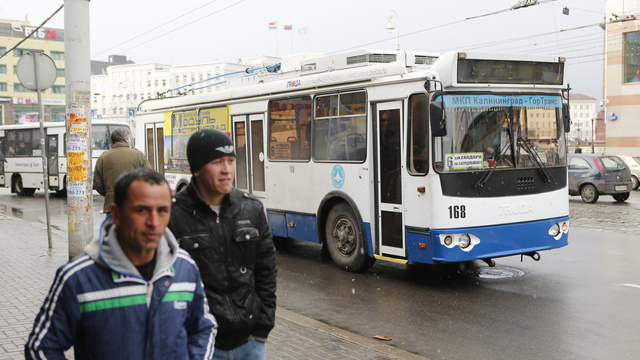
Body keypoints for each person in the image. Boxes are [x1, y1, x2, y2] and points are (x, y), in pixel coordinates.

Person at [25, 168, 217, 359]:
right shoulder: (77, 278)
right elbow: (41, 349)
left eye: (163, 210)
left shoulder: (185, 267)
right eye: (141, 210)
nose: (154, 222)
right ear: (116, 214)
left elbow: (203, 328)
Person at [168, 128, 277, 360]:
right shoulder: (173, 214)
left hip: (250, 342)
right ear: (196, 168)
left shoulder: (251, 208)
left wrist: (262, 327)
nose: (227, 170)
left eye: (230, 160)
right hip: (199, 345)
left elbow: (266, 270)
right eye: (217, 162)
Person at [94, 127, 151, 214]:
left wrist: (109, 193)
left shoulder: (103, 157)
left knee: (112, 227)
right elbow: (150, 177)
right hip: (134, 204)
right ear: (126, 140)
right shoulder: (138, 155)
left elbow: (97, 183)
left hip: (112, 206)